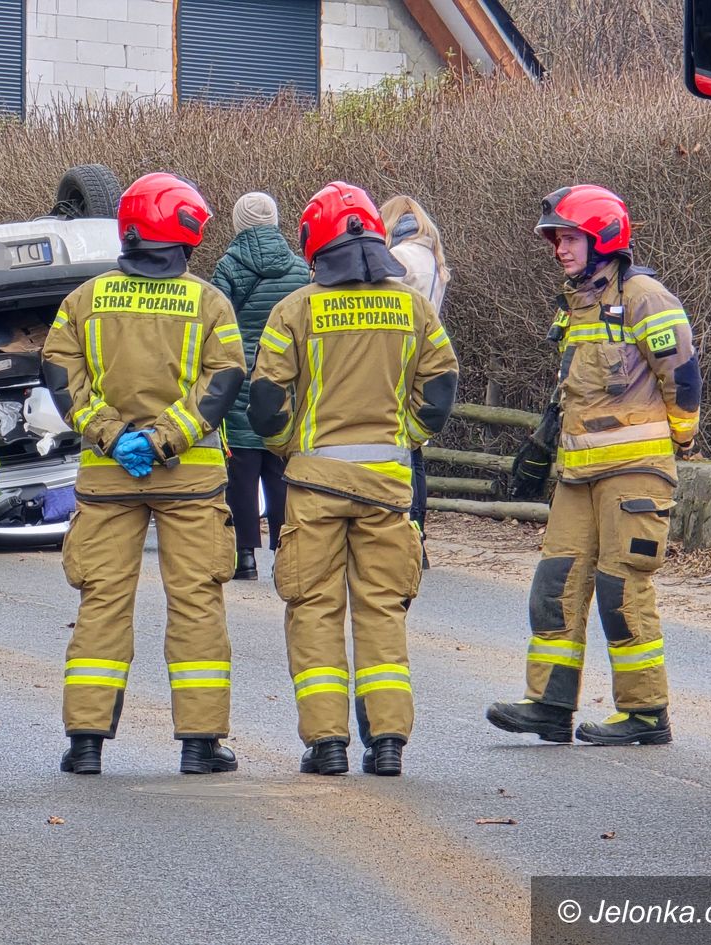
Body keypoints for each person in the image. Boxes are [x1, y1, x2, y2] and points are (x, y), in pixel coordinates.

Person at [248, 182, 459, 777]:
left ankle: (327, 745)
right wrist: (408, 438)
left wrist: (290, 449)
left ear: (315, 244)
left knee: (314, 610)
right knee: (381, 612)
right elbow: (440, 387)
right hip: (388, 490)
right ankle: (387, 742)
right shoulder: (412, 306)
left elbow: (265, 402)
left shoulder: (295, 309)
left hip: (314, 488)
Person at [42, 172, 247, 775]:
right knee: (196, 603)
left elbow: (59, 372)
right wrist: (167, 439)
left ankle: (84, 743)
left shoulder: (84, 299)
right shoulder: (209, 302)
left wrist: (113, 434)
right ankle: (200, 745)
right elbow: (225, 379)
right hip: (191, 477)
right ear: (180, 232)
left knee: (103, 601)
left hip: (107, 478)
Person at [486, 185, 701, 747]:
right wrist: (543, 447)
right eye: (556, 238)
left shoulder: (644, 295)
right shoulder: (579, 302)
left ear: (603, 235)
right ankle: (550, 705)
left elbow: (683, 374)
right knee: (554, 585)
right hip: (579, 476)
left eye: (569, 236)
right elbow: (574, 391)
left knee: (620, 589)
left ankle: (646, 713)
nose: (559, 247)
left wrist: (676, 439)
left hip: (634, 472)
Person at [210, 192, 310, 580]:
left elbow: (217, 323)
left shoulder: (228, 267)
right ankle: (286, 552)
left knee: (241, 472)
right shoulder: (299, 270)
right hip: (284, 379)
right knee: (279, 468)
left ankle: (245, 555)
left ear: (238, 224)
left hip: (240, 379)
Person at [380, 196, 451, 567]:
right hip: (423, 357)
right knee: (415, 446)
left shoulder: (403, 258)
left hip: (400, 357)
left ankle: (407, 528)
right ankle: (417, 531)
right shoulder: (434, 259)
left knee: (403, 450)